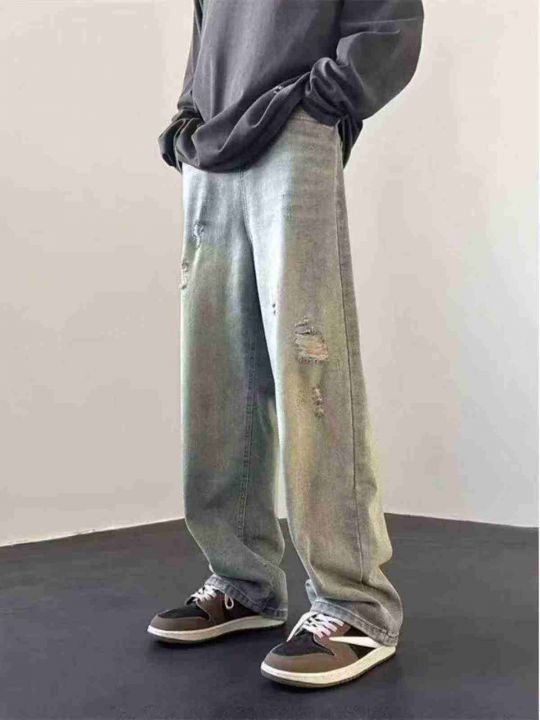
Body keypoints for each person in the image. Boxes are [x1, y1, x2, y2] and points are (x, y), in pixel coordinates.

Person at [148, 0, 424, 689]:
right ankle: (242, 581)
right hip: (211, 150)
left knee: (311, 370)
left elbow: (389, 25)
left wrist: (321, 101)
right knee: (216, 375)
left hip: (294, 129)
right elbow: (210, 31)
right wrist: (187, 120)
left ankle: (355, 606)